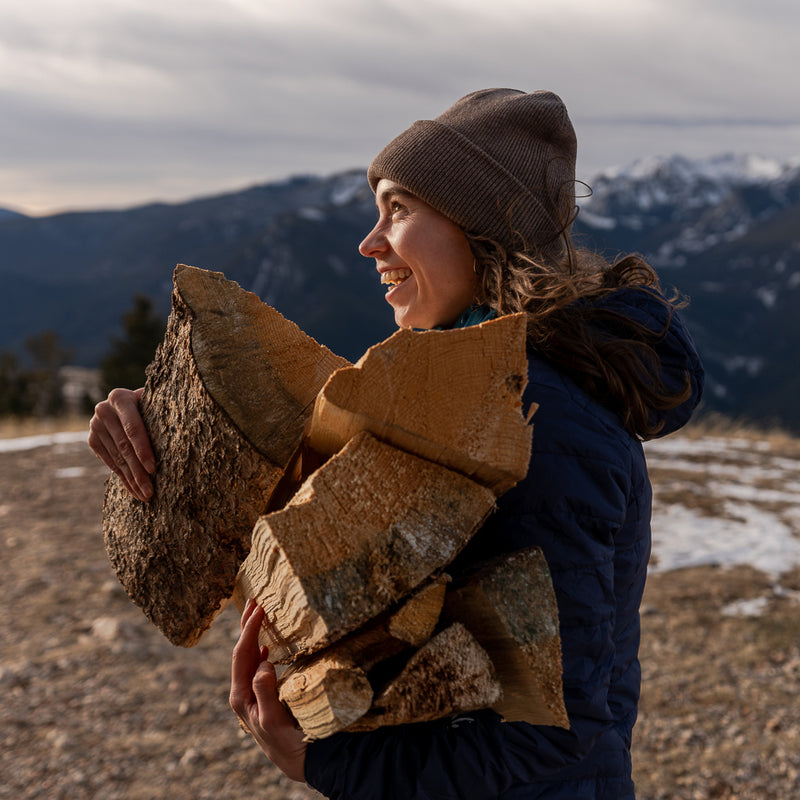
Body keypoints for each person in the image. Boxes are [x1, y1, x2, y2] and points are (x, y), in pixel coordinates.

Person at [89, 88, 704, 799]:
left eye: (400, 208)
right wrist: (165, 426)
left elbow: (547, 743)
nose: (370, 241)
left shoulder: (539, 425)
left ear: (483, 231)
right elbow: (303, 524)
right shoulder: (449, 398)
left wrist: (328, 765)